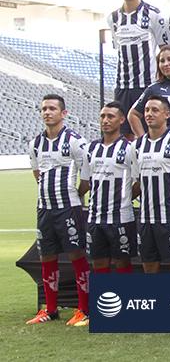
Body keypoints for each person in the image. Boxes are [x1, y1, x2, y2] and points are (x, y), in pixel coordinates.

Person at [26, 94, 90, 326]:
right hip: (44, 208)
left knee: (76, 255)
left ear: (63, 113)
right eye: (44, 108)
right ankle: (50, 309)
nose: (47, 112)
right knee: (47, 256)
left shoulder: (75, 141)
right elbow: (37, 174)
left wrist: (76, 194)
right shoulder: (35, 143)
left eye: (52, 108)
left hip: (69, 208)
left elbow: (86, 175)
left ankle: (84, 308)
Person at [131, 95, 170, 274]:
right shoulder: (137, 146)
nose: (149, 114)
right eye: (147, 110)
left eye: (155, 110)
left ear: (167, 114)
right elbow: (137, 181)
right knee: (149, 266)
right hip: (146, 218)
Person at [107, 0, 169, 137]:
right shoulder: (113, 18)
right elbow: (118, 49)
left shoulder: (154, 14)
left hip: (147, 84)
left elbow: (166, 49)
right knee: (123, 133)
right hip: (122, 85)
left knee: (150, 130)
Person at [79, 102, 137, 282]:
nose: (105, 120)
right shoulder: (90, 149)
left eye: (110, 116)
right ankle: (105, 307)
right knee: (98, 263)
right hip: (95, 217)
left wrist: (124, 199)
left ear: (121, 120)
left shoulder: (130, 148)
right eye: (103, 116)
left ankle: (126, 303)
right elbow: (86, 182)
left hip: (121, 217)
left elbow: (139, 182)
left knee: (122, 262)